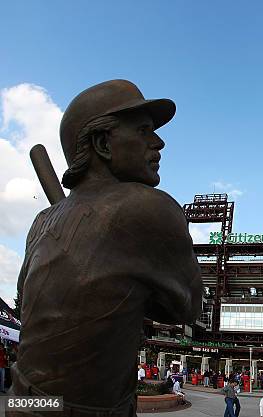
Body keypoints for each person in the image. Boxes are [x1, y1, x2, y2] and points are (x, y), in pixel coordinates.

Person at [9, 80, 201, 416]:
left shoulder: (43, 220)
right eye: (143, 131)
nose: (159, 142)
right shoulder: (149, 208)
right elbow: (186, 310)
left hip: (23, 401)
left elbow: (24, 304)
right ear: (103, 144)